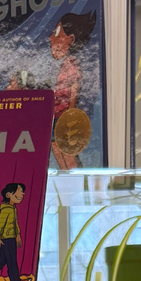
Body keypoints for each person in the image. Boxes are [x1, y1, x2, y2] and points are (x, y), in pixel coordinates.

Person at [49, 11, 96, 169]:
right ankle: (70, 182)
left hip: (63, 119)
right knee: (58, 151)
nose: (50, 38)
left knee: (65, 154)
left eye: (57, 33)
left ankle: (75, 183)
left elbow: (74, 89)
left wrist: (69, 115)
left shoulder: (71, 65)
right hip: (57, 117)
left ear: (71, 40)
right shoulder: (65, 65)